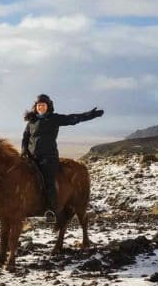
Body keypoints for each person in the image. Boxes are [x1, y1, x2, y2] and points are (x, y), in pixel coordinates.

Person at [21, 94, 104, 224]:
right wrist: (24, 151)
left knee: (48, 181)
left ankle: (51, 210)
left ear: (48, 106)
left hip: (48, 158)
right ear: (35, 107)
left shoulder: (54, 118)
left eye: (43, 105)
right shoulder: (32, 121)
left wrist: (90, 115)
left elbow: (72, 119)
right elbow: (25, 138)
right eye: (38, 105)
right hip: (32, 158)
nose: (41, 107)